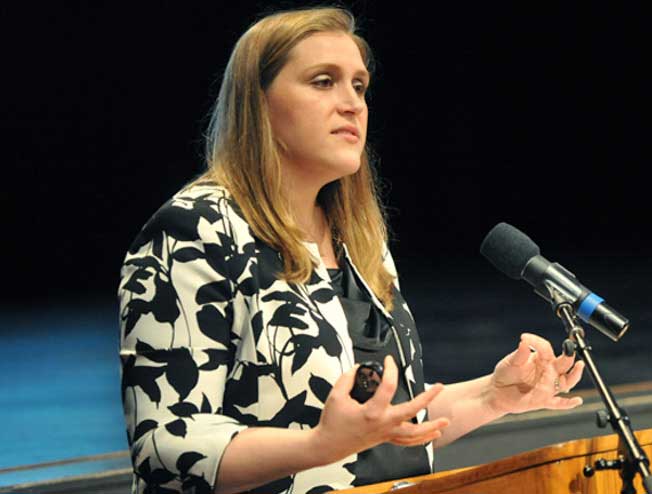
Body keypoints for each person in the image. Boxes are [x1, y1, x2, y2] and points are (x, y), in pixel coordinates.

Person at [118, 6, 585, 494]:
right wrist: (320, 445)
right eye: (323, 82)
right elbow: (166, 444)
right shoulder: (192, 230)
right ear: (259, 106)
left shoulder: (358, 239)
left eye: (359, 87)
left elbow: (385, 429)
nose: (352, 104)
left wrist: (494, 395)